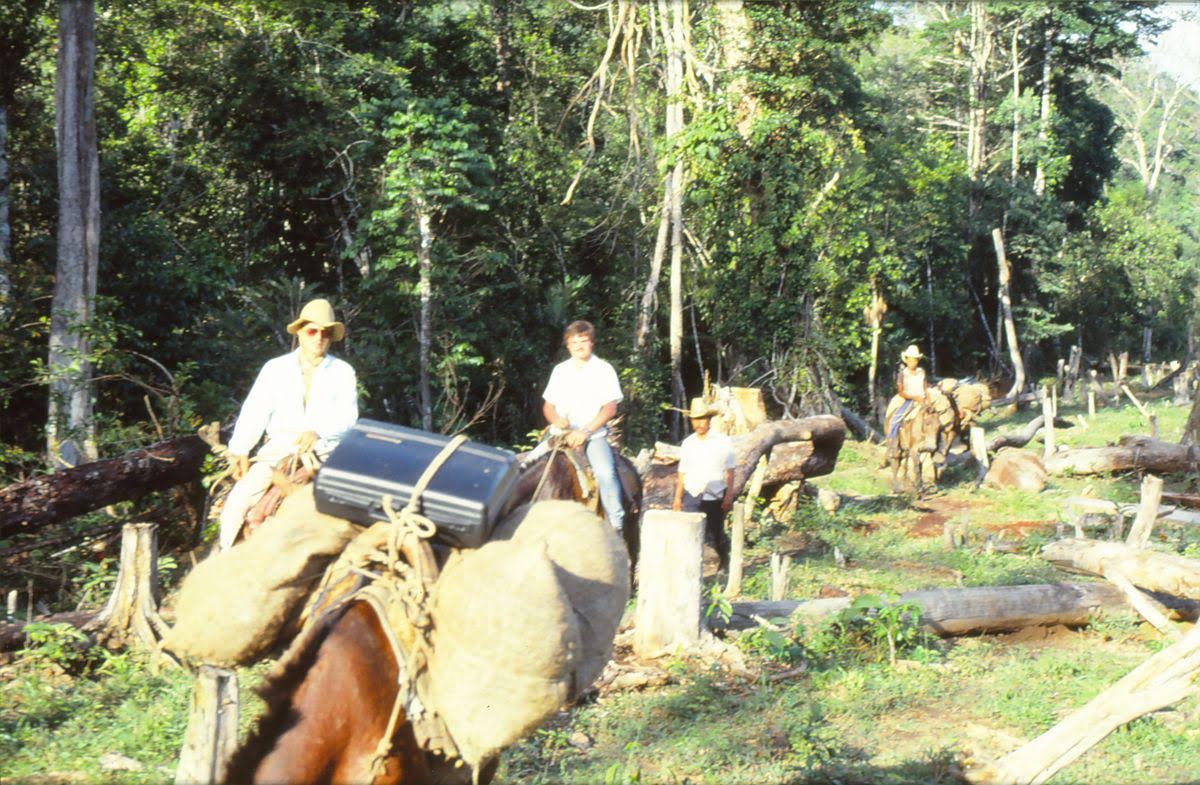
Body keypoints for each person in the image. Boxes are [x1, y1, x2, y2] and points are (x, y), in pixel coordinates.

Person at [218, 298, 358, 549]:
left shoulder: (343, 372)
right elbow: (255, 411)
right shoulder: (275, 369)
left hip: (325, 453)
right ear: (301, 332)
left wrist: (319, 431)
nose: (319, 338)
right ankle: (227, 566)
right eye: (312, 331)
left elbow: (349, 417)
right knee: (235, 508)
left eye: (325, 333)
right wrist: (240, 449)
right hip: (278, 452)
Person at [542, 320, 625, 532]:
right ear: (567, 345)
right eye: (573, 342)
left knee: (605, 474)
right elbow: (548, 406)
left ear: (592, 343)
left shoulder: (604, 369)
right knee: (524, 465)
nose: (578, 346)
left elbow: (610, 408)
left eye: (583, 341)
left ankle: (616, 524)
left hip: (592, 436)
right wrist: (556, 420)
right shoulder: (560, 371)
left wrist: (585, 431)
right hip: (560, 433)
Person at [672, 398, 736, 571]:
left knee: (715, 533)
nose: (699, 423)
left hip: (714, 493)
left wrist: (729, 496)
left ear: (709, 420)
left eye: (703, 419)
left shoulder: (722, 442)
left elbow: (730, 471)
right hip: (692, 493)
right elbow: (682, 471)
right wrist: (678, 498)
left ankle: (724, 561)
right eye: (696, 420)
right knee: (689, 531)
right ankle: (690, 566)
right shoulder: (688, 443)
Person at [886, 344, 929, 445]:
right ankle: (892, 442)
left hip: (922, 398)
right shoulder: (902, 374)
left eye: (914, 360)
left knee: (935, 418)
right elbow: (901, 392)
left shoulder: (921, 372)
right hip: (909, 399)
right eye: (910, 360)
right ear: (906, 360)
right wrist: (915, 398)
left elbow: (925, 387)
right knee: (895, 419)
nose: (912, 362)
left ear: (917, 361)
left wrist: (927, 399)